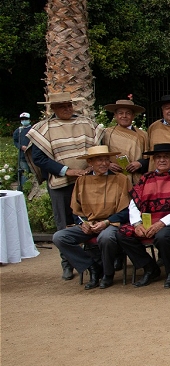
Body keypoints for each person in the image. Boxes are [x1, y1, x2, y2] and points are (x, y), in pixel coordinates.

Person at [27, 92, 104, 280]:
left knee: (91, 219)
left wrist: (90, 167)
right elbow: (38, 158)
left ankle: (96, 261)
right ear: (52, 109)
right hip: (61, 184)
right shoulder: (43, 129)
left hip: (87, 181)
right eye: (62, 107)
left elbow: (99, 147)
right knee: (63, 225)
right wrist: (65, 170)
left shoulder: (86, 123)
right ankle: (68, 264)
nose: (67, 109)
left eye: (69, 105)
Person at [51, 145, 131, 290]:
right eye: (99, 160)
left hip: (111, 223)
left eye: (107, 159)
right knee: (59, 237)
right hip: (89, 223)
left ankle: (107, 274)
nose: (104, 163)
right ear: (90, 163)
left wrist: (106, 222)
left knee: (106, 238)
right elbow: (76, 210)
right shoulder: (82, 181)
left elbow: (126, 210)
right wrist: (83, 224)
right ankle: (91, 267)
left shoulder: (121, 179)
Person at [117, 143, 170, 289]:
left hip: (169, 222)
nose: (162, 160)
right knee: (122, 234)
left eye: (166, 157)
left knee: (163, 237)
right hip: (146, 222)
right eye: (158, 157)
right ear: (154, 160)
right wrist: (137, 224)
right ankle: (150, 268)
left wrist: (161, 223)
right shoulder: (146, 178)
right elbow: (134, 203)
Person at [102, 99, 148, 184]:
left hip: (136, 180)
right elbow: (100, 156)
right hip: (113, 179)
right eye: (120, 113)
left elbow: (150, 158)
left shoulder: (143, 135)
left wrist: (140, 164)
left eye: (128, 113)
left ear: (133, 115)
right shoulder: (106, 133)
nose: (124, 116)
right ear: (115, 115)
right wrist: (108, 164)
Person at [13, 112, 32, 190]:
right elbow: (15, 141)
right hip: (22, 156)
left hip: (32, 155)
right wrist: (20, 147)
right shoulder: (18, 131)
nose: (24, 121)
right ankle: (24, 189)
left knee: (33, 172)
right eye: (22, 119)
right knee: (24, 173)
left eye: (26, 119)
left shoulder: (33, 129)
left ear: (29, 120)